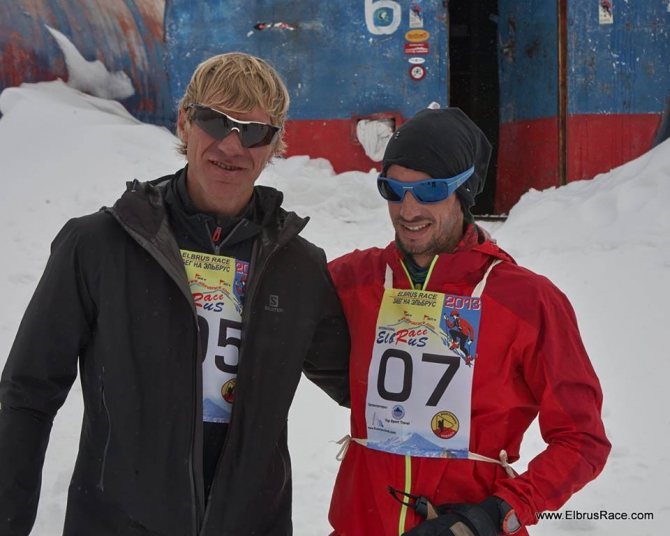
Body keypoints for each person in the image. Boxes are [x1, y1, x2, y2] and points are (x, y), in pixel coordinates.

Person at [0, 52, 350, 536]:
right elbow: (27, 396)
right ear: (185, 122)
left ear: (274, 143)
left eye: (253, 131)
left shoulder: (298, 267)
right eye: (215, 121)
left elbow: (367, 387)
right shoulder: (100, 246)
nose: (232, 145)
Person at [327, 108, 610, 536]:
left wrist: (493, 515)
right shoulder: (354, 279)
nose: (408, 209)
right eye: (393, 189)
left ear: (463, 190)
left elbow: (582, 440)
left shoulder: (527, 300)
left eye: (430, 190)